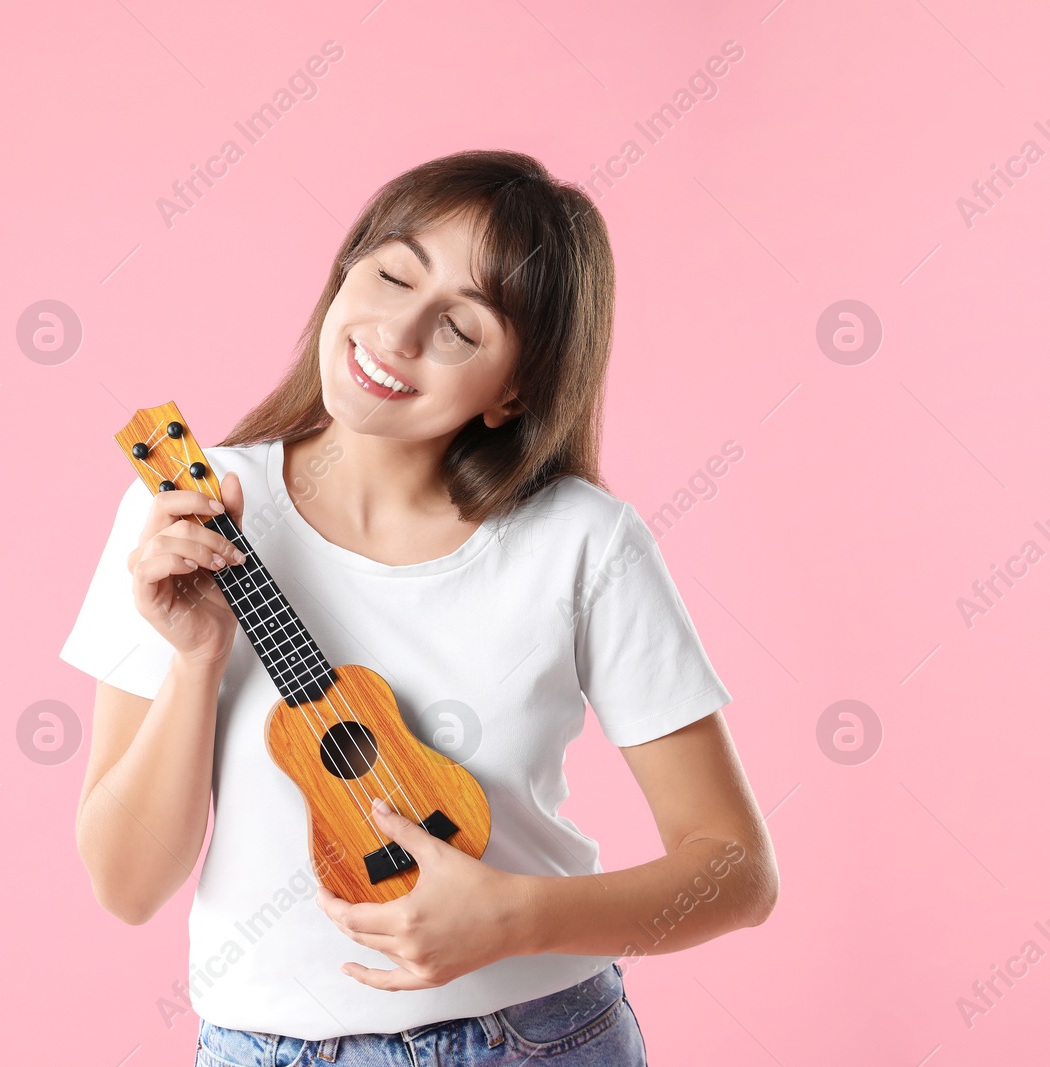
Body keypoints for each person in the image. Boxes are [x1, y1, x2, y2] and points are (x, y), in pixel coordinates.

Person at [60, 149, 779, 1065]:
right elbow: (125, 885)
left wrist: (517, 918)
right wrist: (199, 660)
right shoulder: (192, 516)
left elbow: (735, 870)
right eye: (392, 273)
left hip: (539, 1036)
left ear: (515, 387)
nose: (397, 333)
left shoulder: (584, 543)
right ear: (346, 270)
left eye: (461, 329)